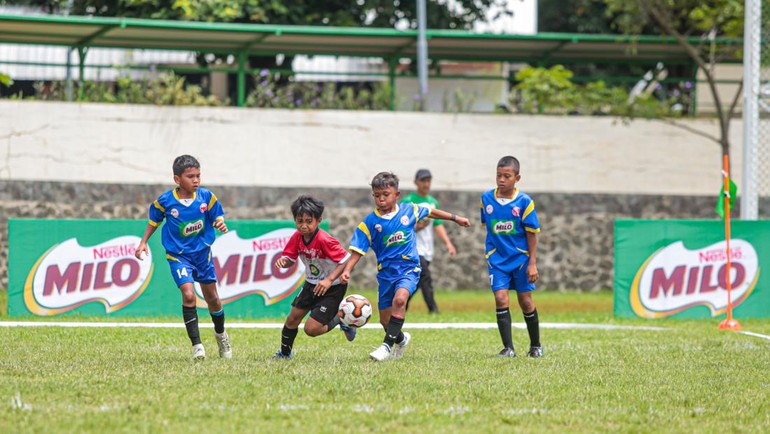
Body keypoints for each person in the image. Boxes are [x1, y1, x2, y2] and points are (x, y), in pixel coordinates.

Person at [341, 171, 471, 361]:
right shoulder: (369, 223)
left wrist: (455, 218)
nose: (381, 199)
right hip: (386, 274)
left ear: (396, 194)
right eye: (377, 196)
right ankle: (401, 339)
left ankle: (386, 347)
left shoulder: (409, 210)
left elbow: (431, 210)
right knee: (385, 320)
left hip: (409, 268)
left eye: (386, 195)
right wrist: (346, 270)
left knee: (400, 300)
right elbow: (357, 250)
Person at [135, 154, 232, 361]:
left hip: (202, 254)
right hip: (178, 256)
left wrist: (219, 222)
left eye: (198, 175)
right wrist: (143, 242)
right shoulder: (166, 201)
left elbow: (217, 214)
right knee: (188, 295)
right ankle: (197, 346)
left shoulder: (206, 197)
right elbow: (154, 220)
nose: (196, 180)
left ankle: (221, 335)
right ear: (177, 180)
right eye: (190, 176)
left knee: (212, 298)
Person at [271, 195, 356, 360]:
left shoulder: (325, 240)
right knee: (292, 319)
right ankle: (285, 353)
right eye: (299, 221)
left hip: (333, 287)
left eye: (308, 221)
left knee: (311, 330)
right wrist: (284, 262)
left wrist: (329, 280)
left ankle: (341, 319)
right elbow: (290, 259)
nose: (303, 225)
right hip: (311, 284)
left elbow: (345, 260)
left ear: (318, 220)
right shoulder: (297, 237)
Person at [480, 156, 543, 358]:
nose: (501, 180)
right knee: (500, 297)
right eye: (498, 175)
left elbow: (531, 234)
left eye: (507, 176)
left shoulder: (525, 202)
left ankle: (536, 346)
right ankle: (508, 348)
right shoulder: (486, 199)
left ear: (517, 178)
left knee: (525, 301)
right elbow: (488, 227)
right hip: (497, 260)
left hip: (521, 260)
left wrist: (532, 263)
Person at [401, 168, 457, 314]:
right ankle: (433, 310)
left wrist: (448, 243)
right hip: (413, 248)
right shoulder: (408, 201)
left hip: (427, 249)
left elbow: (438, 225)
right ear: (416, 182)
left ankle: (401, 303)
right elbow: (401, 226)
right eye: (423, 181)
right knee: (426, 277)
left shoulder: (433, 202)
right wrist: (418, 227)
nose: (426, 184)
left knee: (418, 281)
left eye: (428, 181)